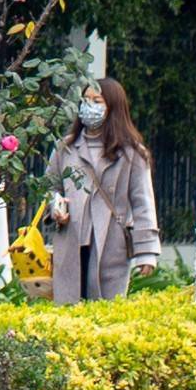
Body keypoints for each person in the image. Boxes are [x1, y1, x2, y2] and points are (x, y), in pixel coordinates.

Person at [44, 77, 164, 301]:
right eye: (86, 100)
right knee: (69, 312)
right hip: (70, 242)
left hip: (111, 244)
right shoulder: (65, 148)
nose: (89, 106)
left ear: (113, 107)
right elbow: (50, 187)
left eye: (97, 101)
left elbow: (143, 203)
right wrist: (55, 207)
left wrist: (146, 252)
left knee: (104, 310)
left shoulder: (131, 153)